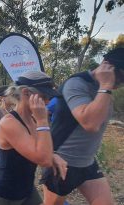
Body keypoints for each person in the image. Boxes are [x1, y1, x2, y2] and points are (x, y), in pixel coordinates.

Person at [42, 48, 124, 205]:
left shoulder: (104, 90)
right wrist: (106, 84)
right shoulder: (77, 83)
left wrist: (106, 87)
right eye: (121, 76)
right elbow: (90, 123)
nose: (121, 83)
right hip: (63, 162)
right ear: (106, 65)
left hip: (87, 163)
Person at [0, 71, 59, 205]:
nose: (48, 101)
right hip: (5, 196)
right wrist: (43, 121)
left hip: (27, 190)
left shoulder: (33, 119)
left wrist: (54, 155)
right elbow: (44, 160)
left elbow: (40, 148)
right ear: (26, 93)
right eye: (44, 96)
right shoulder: (9, 122)